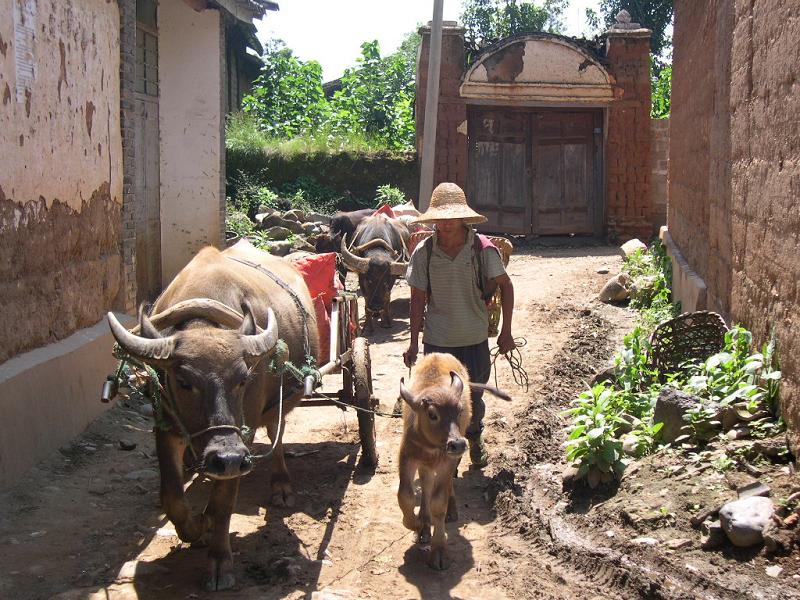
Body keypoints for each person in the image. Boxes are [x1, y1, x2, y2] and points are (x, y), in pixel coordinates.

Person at [403, 182, 515, 468]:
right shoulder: (424, 253)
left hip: (473, 337)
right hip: (438, 342)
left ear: (463, 217)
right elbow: (417, 300)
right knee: (438, 406)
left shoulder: (482, 249)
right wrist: (414, 342)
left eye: (451, 216)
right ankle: (442, 458)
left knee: (473, 399)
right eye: (440, 217)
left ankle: (475, 439)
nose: (446, 223)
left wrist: (506, 332)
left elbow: (506, 285)